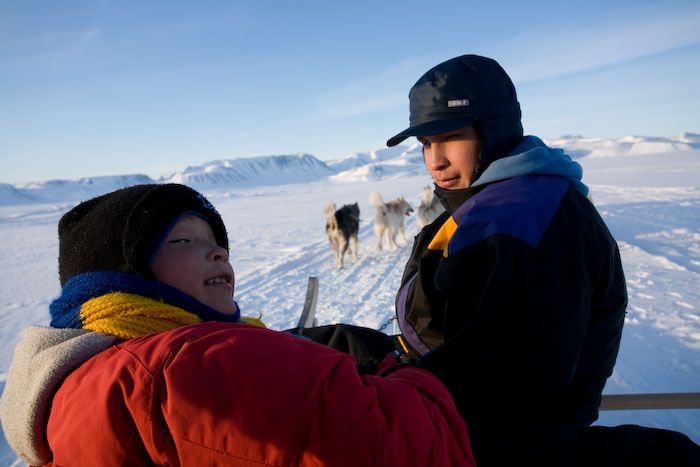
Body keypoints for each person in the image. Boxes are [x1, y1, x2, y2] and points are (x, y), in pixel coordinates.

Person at [0, 183, 476, 466]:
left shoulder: (86, 372)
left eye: (217, 241)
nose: (218, 251)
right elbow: (421, 447)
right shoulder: (187, 363)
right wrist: (395, 366)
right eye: (183, 240)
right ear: (123, 277)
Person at [386, 54, 700, 466]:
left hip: (489, 442)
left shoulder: (525, 222)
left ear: (493, 130)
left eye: (450, 137)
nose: (434, 160)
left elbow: (502, 391)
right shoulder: (502, 200)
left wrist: (384, 382)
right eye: (426, 144)